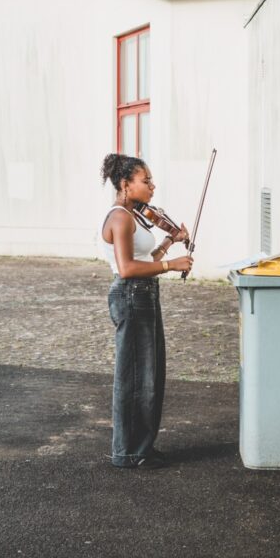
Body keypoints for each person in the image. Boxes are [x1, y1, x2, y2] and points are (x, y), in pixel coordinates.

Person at [99, 153, 193, 469]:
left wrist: (169, 242)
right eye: (146, 180)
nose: (153, 186)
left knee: (150, 374)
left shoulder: (132, 216)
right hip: (131, 295)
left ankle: (142, 447)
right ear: (126, 184)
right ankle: (127, 452)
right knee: (134, 377)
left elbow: (145, 257)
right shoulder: (120, 217)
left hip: (144, 294)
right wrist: (170, 265)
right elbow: (126, 268)